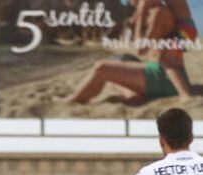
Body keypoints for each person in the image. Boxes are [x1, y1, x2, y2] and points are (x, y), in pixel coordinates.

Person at [64, 0, 194, 105]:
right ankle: (134, 95)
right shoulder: (156, 12)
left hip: (164, 76)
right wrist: (138, 15)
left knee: (102, 68)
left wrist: (141, 13)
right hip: (159, 69)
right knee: (117, 67)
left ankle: (72, 100)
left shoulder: (159, 13)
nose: (130, 2)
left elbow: (140, 49)